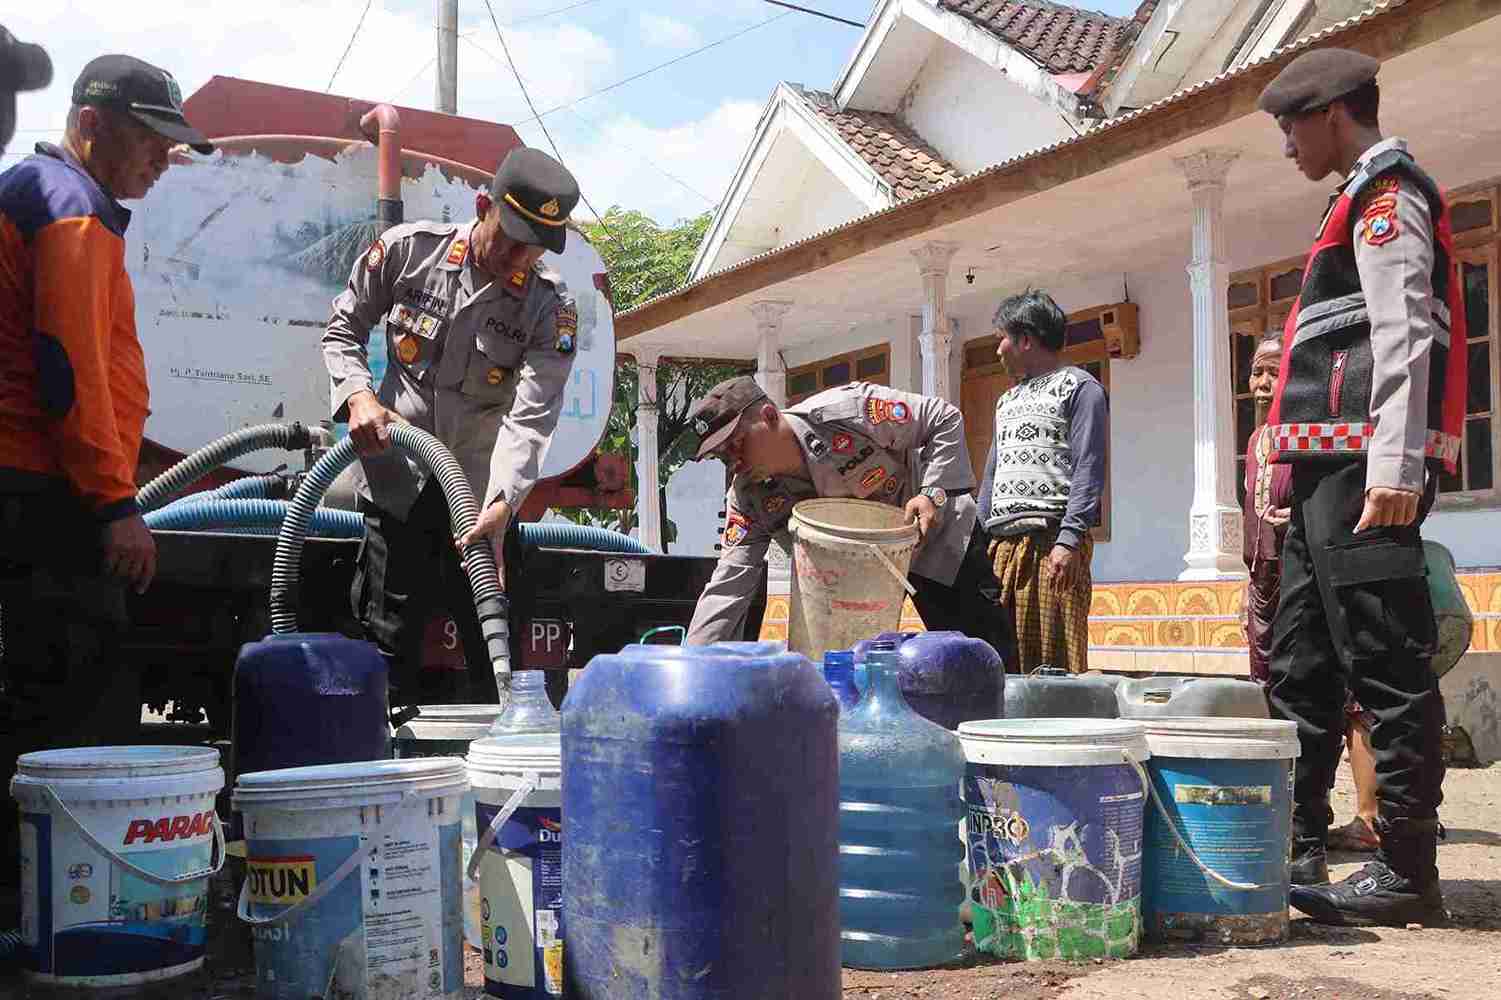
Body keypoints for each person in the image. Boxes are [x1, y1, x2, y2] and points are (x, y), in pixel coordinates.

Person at [1258, 47, 1466, 926]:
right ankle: (1295, 846)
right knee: (1299, 659)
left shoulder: (1388, 198)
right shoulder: (1346, 203)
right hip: (1320, 470)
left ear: (1334, 111)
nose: (1286, 146)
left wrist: (1395, 467)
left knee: (1383, 658)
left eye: (1289, 125)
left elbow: (1404, 331)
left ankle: (1407, 869)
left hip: (1363, 470)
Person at [0, 53, 212, 877]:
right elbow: (69, 366)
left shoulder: (55, 197)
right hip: (48, 492)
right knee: (75, 707)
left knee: (43, 697)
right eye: (149, 139)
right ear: (91, 126)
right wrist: (113, 501)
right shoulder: (68, 208)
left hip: (38, 484)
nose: (162, 158)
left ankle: (39, 894)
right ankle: (66, 896)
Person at [322, 146, 581, 704]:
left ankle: (496, 775)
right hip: (396, 486)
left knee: (494, 653)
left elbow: (532, 415)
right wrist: (360, 397)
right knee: (387, 649)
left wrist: (503, 505)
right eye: (509, 239)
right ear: (482, 205)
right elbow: (342, 330)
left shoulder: (548, 307)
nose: (517, 258)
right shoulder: (405, 252)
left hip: (480, 502)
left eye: (531, 251)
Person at [681, 375, 1014, 660]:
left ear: (768, 416)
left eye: (737, 444)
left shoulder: (846, 412)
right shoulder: (749, 496)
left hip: (943, 548)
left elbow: (942, 417)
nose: (734, 462)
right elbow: (729, 583)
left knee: (986, 658)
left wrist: (932, 493)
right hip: (866, 585)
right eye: (722, 456)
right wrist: (693, 664)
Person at [1244, 334, 1380, 856]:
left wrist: (1297, 520)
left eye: (1273, 371)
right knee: (1282, 696)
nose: (1261, 382)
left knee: (1346, 699)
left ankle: (1369, 817)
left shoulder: (1310, 435)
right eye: (1256, 371)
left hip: (1313, 578)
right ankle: (1299, 814)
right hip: (1268, 587)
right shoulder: (1259, 441)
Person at [979, 290, 1108, 675]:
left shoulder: (1080, 388)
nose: (999, 349)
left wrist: (1068, 540)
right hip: (1003, 548)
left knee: (1055, 664)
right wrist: (981, 540)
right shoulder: (1007, 401)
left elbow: (1089, 465)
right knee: (1004, 659)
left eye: (1002, 338)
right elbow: (992, 474)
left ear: (1026, 339)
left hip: (1053, 544)